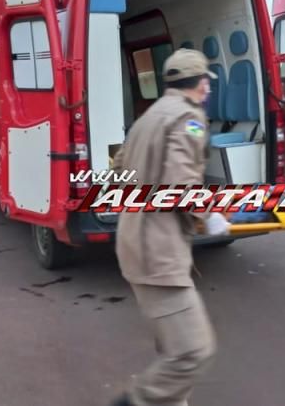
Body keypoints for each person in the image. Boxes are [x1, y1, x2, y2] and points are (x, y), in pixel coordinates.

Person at [109, 49, 230, 406]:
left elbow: (117, 173)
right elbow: (181, 187)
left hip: (136, 241)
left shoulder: (147, 118)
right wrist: (210, 216)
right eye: (207, 83)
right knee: (193, 351)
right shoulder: (189, 119)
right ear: (202, 84)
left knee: (174, 348)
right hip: (158, 253)